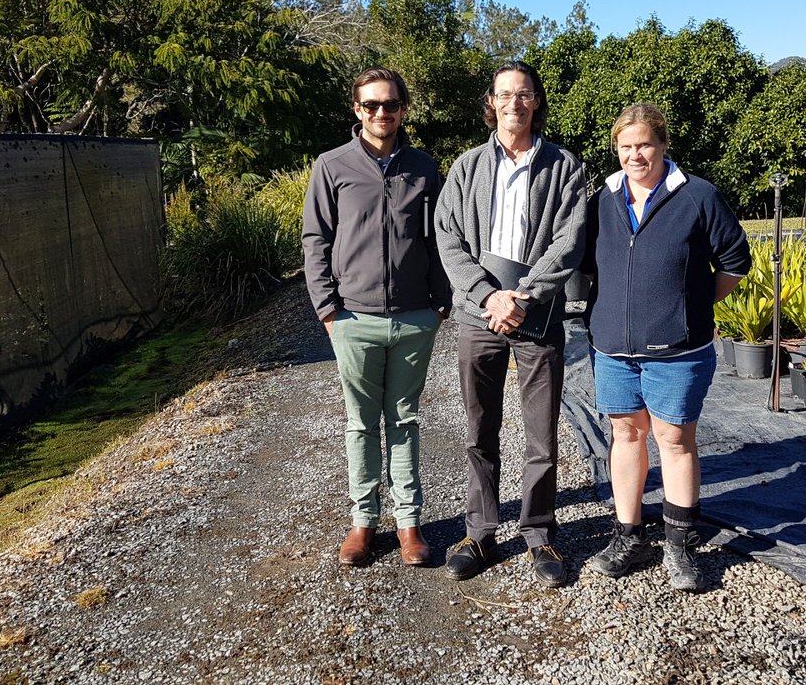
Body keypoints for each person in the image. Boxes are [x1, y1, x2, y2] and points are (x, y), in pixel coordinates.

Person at [584, 103, 750, 591]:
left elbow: (735, 261)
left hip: (678, 350)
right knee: (625, 437)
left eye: (645, 145)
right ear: (616, 149)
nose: (636, 155)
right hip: (613, 348)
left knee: (674, 440)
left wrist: (691, 305)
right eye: (626, 146)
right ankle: (628, 536)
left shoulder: (697, 195)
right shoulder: (603, 199)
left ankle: (678, 544)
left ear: (663, 145)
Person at [434, 60, 586, 588]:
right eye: (504, 95)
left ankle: (540, 533)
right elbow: (448, 237)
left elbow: (570, 240)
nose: (514, 103)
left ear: (537, 101)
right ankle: (480, 530)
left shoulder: (565, 166)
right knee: (480, 430)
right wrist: (487, 296)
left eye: (524, 94)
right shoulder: (467, 166)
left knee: (541, 434)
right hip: (478, 317)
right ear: (491, 104)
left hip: (538, 317)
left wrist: (521, 296)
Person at [302, 67, 451, 568]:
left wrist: (440, 301)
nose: (380, 113)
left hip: (414, 318)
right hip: (352, 318)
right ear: (356, 109)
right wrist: (328, 308)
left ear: (403, 109)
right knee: (361, 424)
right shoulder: (332, 166)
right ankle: (363, 522)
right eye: (371, 105)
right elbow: (315, 240)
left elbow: (441, 238)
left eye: (389, 105)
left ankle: (409, 524)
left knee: (405, 420)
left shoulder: (424, 166)